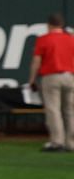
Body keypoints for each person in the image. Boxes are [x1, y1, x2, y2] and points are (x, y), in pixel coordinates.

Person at [28, 13, 74, 152]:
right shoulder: (71, 39)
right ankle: (71, 143)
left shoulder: (44, 39)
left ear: (49, 25)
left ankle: (57, 142)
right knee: (69, 110)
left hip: (51, 76)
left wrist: (31, 79)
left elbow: (37, 61)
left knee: (53, 110)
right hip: (70, 76)